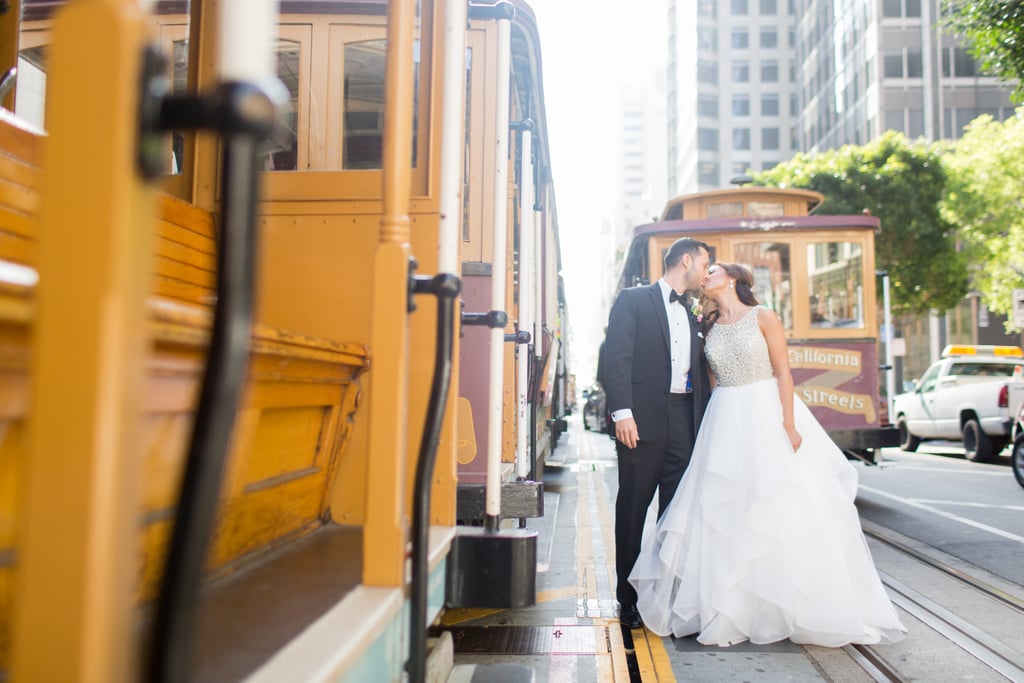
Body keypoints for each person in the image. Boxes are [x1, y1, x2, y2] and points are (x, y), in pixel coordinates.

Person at [629, 262, 907, 647]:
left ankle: (788, 604)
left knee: (776, 503)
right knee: (727, 510)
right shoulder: (706, 326)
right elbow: (709, 382)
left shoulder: (764, 316)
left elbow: (784, 373)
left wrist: (789, 424)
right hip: (724, 417)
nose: (705, 276)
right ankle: (731, 607)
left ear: (732, 279)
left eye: (712, 270)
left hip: (763, 411)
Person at [603, 237, 712, 629]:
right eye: (704, 264)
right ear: (686, 261)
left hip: (684, 419)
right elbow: (615, 358)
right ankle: (627, 601)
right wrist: (622, 413)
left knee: (676, 513)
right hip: (641, 421)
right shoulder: (635, 300)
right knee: (632, 510)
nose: (705, 272)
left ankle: (665, 597)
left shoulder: (696, 311)